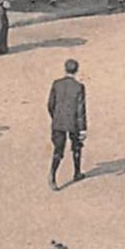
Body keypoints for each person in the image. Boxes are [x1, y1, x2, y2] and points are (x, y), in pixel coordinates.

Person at [47, 59, 87, 190]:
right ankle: (77, 172)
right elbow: (80, 109)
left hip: (58, 121)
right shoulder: (79, 87)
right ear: (76, 70)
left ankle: (52, 176)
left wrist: (55, 117)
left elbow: (50, 104)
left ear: (65, 69)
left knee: (58, 150)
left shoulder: (56, 84)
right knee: (76, 146)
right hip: (73, 122)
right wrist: (82, 129)